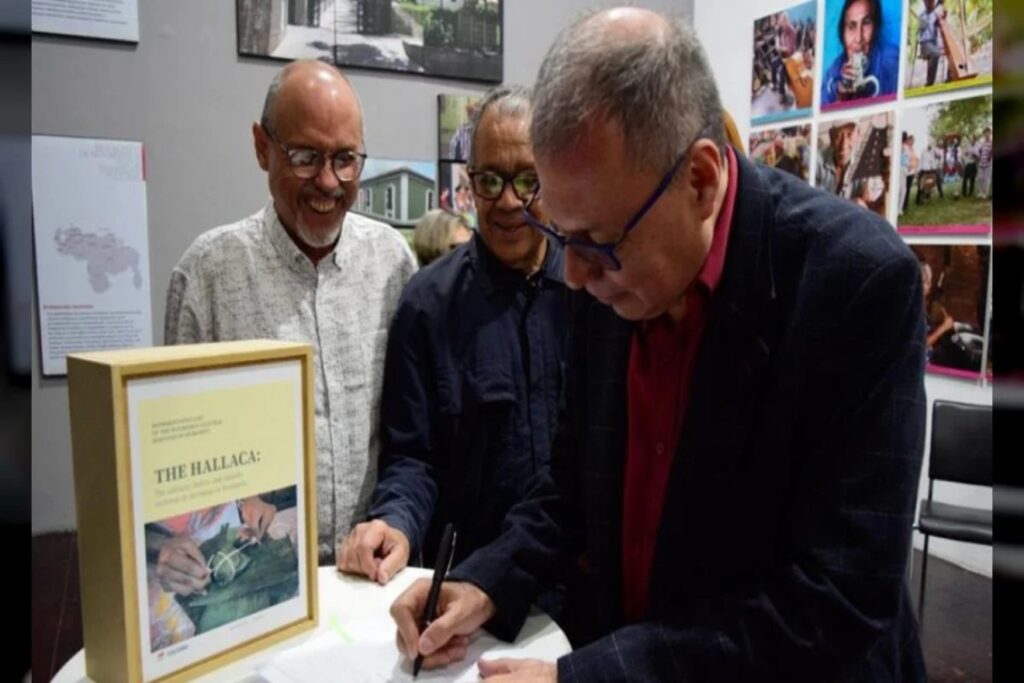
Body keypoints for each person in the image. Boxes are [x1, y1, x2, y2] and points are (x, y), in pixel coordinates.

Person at [390, 8, 927, 681]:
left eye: (597, 243)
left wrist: (587, 677)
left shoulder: (855, 284)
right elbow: (570, 486)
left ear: (701, 180)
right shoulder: (607, 272)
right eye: (560, 235)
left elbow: (835, 600)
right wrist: (485, 581)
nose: (573, 275)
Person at [164, 60, 418, 563]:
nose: (328, 181)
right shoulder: (206, 276)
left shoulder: (393, 263)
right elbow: (175, 457)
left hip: (375, 569)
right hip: (260, 571)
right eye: (305, 156)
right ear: (262, 147)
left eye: (345, 159)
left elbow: (413, 431)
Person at [337, 86, 568, 592]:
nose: (509, 201)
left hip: (583, 594)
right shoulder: (427, 305)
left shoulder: (594, 289)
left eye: (528, 180)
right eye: (490, 181)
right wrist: (395, 522)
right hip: (468, 593)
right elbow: (411, 458)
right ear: (469, 181)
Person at [822, 0, 899, 105]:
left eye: (866, 23)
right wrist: (841, 100)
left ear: (875, 28)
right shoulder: (832, 76)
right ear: (843, 33)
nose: (858, 38)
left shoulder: (892, 62)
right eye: (851, 26)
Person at [816, 121, 858, 197]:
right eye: (838, 136)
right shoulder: (817, 162)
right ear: (831, 136)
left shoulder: (862, 161)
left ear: (858, 135)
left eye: (849, 135)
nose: (843, 145)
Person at [916, 0, 947, 87]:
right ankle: (930, 82)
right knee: (936, 54)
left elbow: (939, 25)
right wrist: (935, 18)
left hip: (934, 43)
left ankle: (950, 77)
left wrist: (943, 18)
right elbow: (924, 26)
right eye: (929, 2)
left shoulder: (935, 14)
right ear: (925, 3)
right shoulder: (922, 15)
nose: (932, 4)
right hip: (925, 43)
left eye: (933, 2)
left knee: (950, 51)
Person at [976, 127, 993, 200]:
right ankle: (980, 192)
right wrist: (979, 156)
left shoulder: (992, 142)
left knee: (986, 179)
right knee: (980, 178)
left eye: (988, 133)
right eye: (985, 133)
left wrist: (990, 156)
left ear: (990, 133)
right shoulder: (982, 142)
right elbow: (979, 151)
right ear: (984, 134)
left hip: (988, 164)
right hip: (981, 163)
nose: (986, 134)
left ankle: (984, 193)